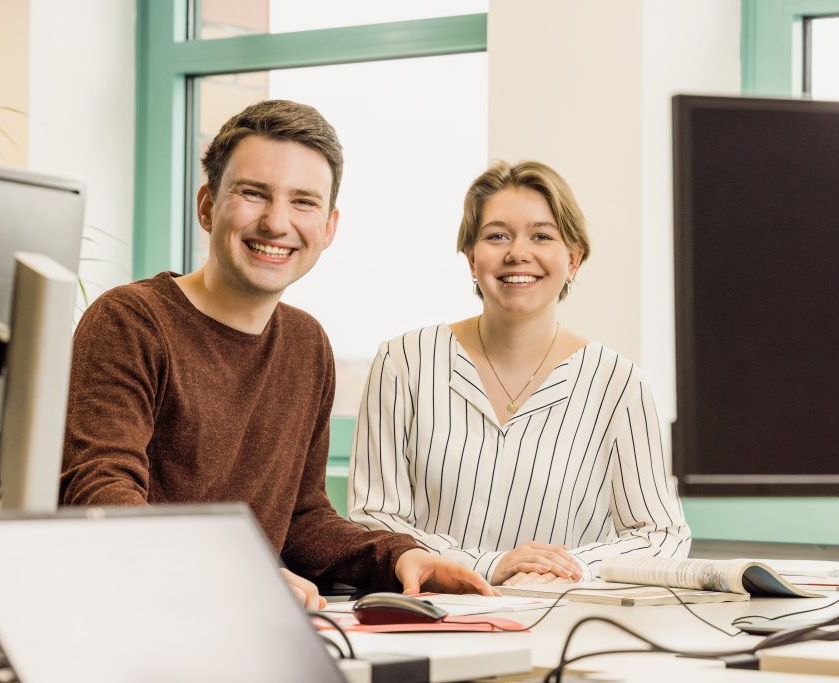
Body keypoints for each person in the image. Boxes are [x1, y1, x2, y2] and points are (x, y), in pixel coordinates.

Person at [60, 99, 492, 607]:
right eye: (253, 194)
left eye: (303, 202)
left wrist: (399, 557)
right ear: (206, 205)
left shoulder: (307, 344)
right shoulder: (130, 321)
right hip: (129, 613)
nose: (276, 221)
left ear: (328, 228)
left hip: (244, 621)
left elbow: (302, 519)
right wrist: (232, 572)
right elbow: (100, 496)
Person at [348, 160, 691, 587]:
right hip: (432, 612)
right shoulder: (403, 361)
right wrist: (491, 564)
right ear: (472, 258)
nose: (517, 253)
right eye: (497, 236)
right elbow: (373, 521)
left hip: (565, 619)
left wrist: (570, 565)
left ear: (574, 259)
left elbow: (661, 534)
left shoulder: (618, 382)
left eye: (542, 236)